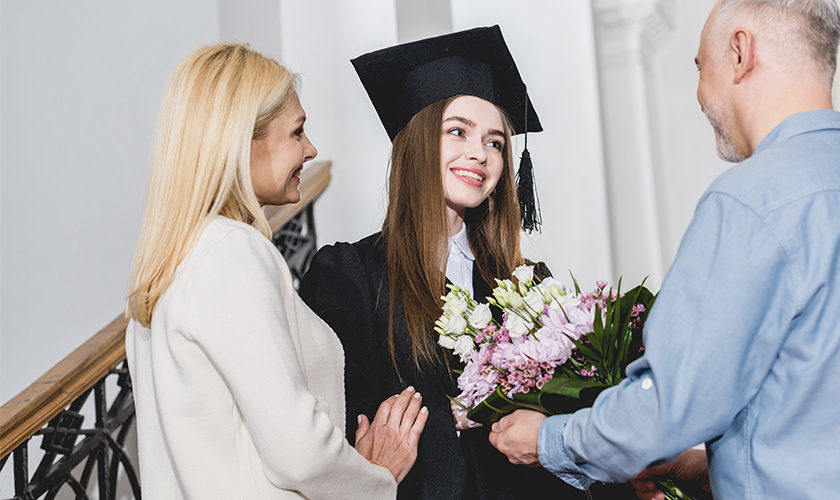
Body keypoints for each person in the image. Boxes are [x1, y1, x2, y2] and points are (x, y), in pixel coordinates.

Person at [488, 0, 840, 498]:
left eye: (700, 68)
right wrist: (713, 464)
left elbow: (667, 407)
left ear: (739, 53)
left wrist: (548, 439)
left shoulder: (749, 201)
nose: (700, 95)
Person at [299, 26, 605, 499]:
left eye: (496, 142)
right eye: (457, 131)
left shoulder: (528, 286)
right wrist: (465, 412)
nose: (479, 154)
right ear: (418, 142)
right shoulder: (350, 276)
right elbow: (348, 421)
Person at [125, 43, 427, 499]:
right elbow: (297, 450)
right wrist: (374, 477)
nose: (311, 149)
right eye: (297, 132)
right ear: (240, 140)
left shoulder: (170, 264)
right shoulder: (231, 252)